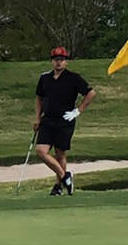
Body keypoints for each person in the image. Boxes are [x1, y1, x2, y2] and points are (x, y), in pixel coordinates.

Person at [33, 46, 96, 196]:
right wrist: (37, 118)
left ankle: (58, 186)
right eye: (56, 60)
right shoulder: (45, 78)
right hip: (47, 120)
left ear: (66, 62)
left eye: (61, 60)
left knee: (60, 153)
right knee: (41, 151)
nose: (59, 62)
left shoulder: (73, 78)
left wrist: (78, 111)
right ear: (52, 61)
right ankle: (65, 176)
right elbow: (39, 98)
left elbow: (91, 93)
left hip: (65, 120)